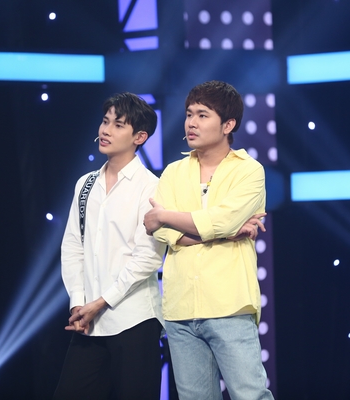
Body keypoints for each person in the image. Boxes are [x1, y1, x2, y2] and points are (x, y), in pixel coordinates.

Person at [144, 80, 274, 400]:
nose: (191, 122)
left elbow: (218, 220)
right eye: (189, 114)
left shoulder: (249, 171)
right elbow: (160, 231)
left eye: (202, 115)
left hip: (229, 305)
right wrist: (227, 232)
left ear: (228, 125)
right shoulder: (173, 172)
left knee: (251, 395)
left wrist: (167, 216)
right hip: (180, 308)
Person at [54, 92, 166, 400]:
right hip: (90, 321)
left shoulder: (151, 186)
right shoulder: (85, 183)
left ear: (139, 137)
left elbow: (148, 257)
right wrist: (78, 303)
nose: (105, 130)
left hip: (135, 319)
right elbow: (73, 246)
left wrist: (101, 301)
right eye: (105, 122)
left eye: (118, 125)